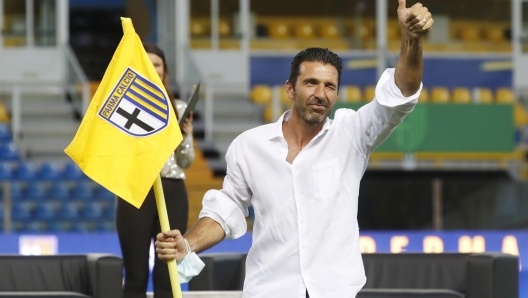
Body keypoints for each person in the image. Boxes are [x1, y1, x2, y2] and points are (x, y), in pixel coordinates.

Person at [156, 1, 433, 297]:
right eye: (311, 82)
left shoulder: (352, 134)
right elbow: (226, 211)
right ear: (290, 89)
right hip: (269, 290)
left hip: (334, 291)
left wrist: (412, 40)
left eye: (329, 86)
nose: (320, 93)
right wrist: (188, 243)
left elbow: (400, 94)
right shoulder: (249, 146)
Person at [116, 41, 195, 298]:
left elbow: (186, 161)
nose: (153, 68)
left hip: (172, 190)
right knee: (135, 275)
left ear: (165, 71)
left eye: (157, 64)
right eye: (146, 63)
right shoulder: (122, 107)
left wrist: (184, 135)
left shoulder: (180, 108)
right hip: (135, 190)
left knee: (167, 275)